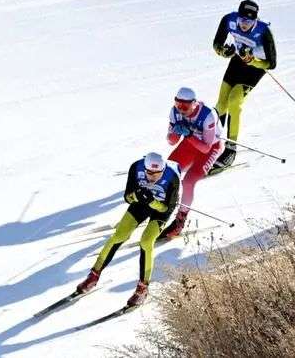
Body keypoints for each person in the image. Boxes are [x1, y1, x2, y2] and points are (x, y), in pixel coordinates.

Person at [76, 152, 180, 306]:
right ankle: (93, 275)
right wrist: (137, 195)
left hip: (160, 208)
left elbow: (165, 209)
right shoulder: (136, 167)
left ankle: (143, 288)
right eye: (150, 173)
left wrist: (152, 201)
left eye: (158, 173)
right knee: (119, 236)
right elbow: (127, 197)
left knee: (146, 241)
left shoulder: (172, 177)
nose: (153, 177)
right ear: (144, 168)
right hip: (141, 204)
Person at [210, 0, 277, 172]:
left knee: (234, 102)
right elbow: (216, 44)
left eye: (249, 22)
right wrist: (224, 52)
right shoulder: (229, 20)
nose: (244, 25)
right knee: (221, 103)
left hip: (255, 68)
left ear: (256, 21)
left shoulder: (264, 31)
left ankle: (231, 148)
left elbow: (271, 63)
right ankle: (212, 141)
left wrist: (253, 60)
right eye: (242, 20)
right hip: (237, 61)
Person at [159, 87, 224, 238]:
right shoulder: (174, 112)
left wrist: (188, 134)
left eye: (185, 106)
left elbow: (205, 148)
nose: (181, 109)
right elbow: (171, 141)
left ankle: (180, 219)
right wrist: (175, 131)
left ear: (194, 104)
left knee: (188, 181)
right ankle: (159, 204)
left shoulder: (207, 115)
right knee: (167, 174)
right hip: (189, 144)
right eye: (177, 104)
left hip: (210, 147)